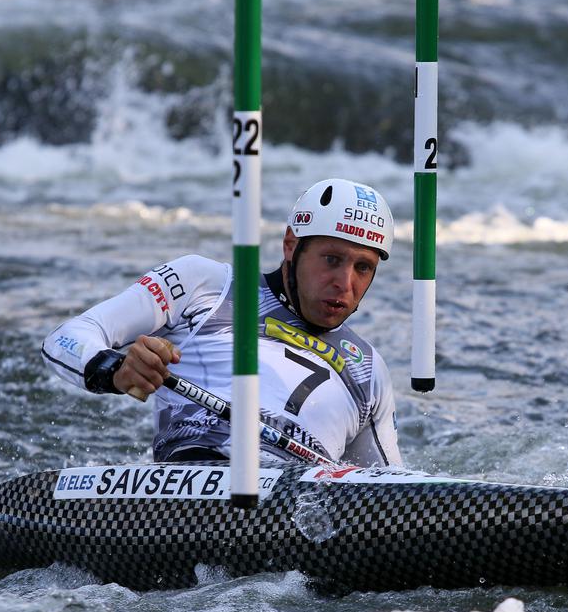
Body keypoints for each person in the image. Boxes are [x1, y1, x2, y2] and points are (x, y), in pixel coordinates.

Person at [42, 178, 403, 467]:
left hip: (296, 509)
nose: (345, 283)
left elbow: (389, 493)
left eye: (363, 267)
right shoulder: (205, 285)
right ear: (291, 246)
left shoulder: (368, 370)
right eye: (331, 259)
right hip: (194, 484)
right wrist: (115, 370)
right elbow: (66, 338)